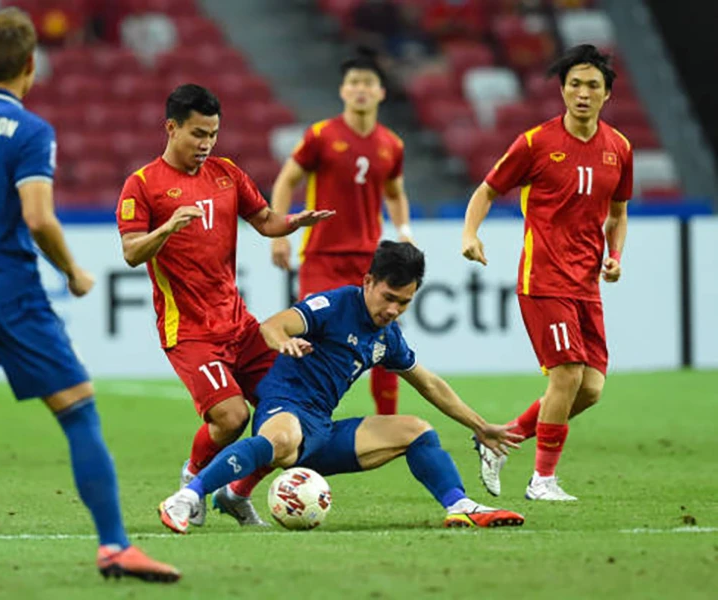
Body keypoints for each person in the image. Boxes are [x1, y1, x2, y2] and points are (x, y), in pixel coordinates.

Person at [0, 8, 179, 585]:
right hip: (13, 297)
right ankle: (114, 548)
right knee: (80, 411)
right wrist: (74, 270)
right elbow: (38, 216)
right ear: (31, 65)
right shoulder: (30, 131)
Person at [159, 241, 525, 533]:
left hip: (322, 428)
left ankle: (459, 505)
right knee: (282, 440)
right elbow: (273, 325)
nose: (395, 309)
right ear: (368, 282)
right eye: (389, 297)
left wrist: (479, 426)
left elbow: (430, 384)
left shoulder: (388, 337)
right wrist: (282, 341)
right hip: (285, 405)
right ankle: (187, 497)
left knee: (417, 431)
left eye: (405, 302)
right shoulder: (333, 305)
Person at [116, 84, 333, 530]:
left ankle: (236, 494)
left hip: (240, 324)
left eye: (213, 134)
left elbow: (265, 221)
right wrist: (168, 229)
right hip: (190, 331)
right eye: (197, 134)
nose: (206, 144)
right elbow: (132, 251)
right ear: (171, 128)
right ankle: (191, 482)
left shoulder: (226, 173)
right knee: (232, 417)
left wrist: (294, 222)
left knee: (289, 409)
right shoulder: (142, 184)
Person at [461, 44, 632, 501]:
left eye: (592, 85)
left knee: (591, 388)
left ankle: (500, 441)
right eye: (574, 84)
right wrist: (470, 234)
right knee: (567, 376)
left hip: (586, 284)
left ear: (606, 95)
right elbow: (487, 190)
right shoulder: (536, 142)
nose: (582, 92)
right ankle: (543, 481)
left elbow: (618, 212)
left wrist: (615, 256)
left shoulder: (620, 148)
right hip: (544, 278)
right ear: (562, 90)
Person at [270, 49, 413, 417]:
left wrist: (404, 230)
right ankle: (297, 413)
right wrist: (279, 233)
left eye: (367, 83)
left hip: (370, 260)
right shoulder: (321, 135)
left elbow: (395, 193)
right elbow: (287, 181)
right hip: (322, 256)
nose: (360, 90)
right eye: (353, 83)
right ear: (343, 91)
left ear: (381, 92)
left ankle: (388, 422)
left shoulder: (391, 144)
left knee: (385, 340)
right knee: (310, 335)